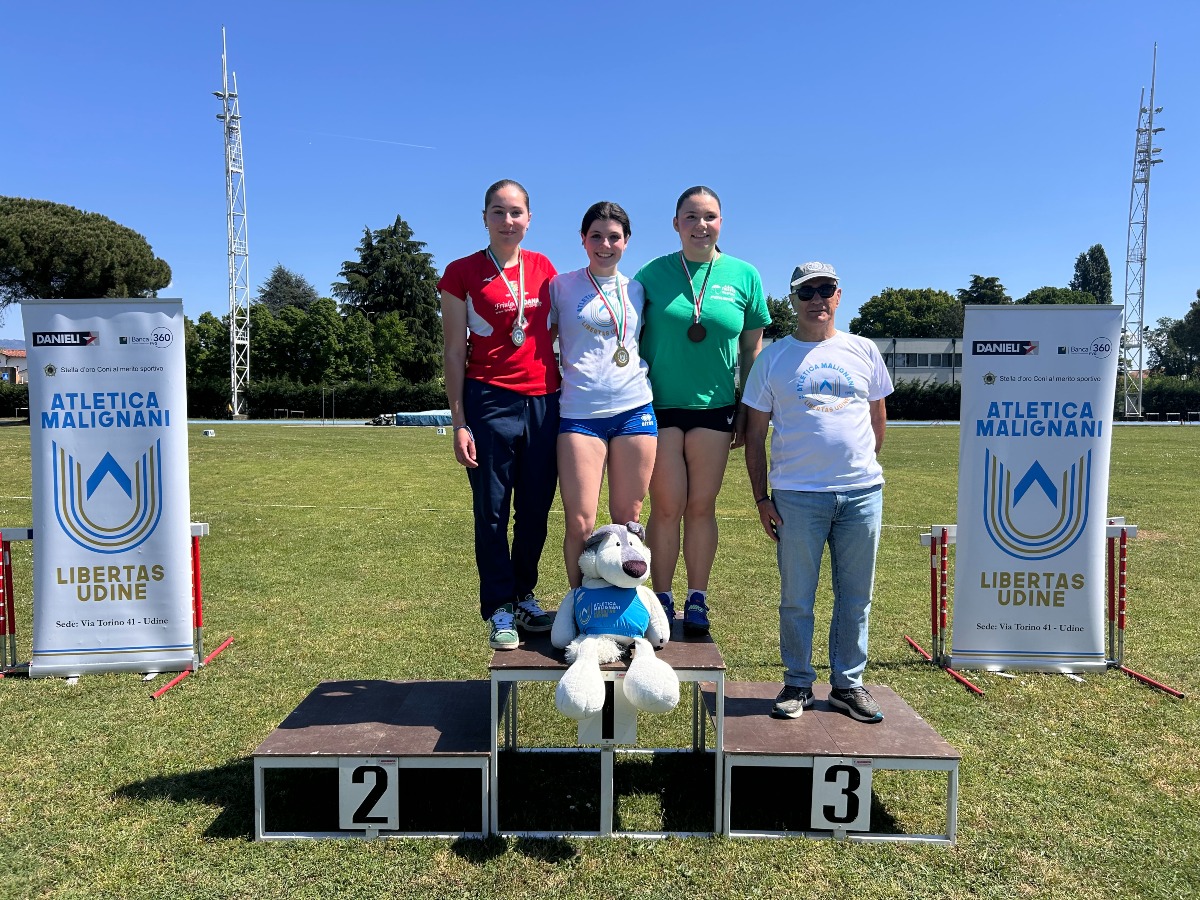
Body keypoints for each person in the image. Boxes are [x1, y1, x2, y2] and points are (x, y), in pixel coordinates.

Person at [742, 261, 893, 723]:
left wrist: (859, 467)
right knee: (797, 597)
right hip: (796, 497)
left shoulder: (864, 350)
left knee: (855, 596)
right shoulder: (773, 359)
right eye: (806, 292)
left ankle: (848, 685)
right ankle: (798, 682)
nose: (816, 300)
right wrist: (762, 498)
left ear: (838, 295)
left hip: (861, 494)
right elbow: (753, 435)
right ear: (792, 300)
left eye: (825, 290)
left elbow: (877, 419)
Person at [634, 186, 770, 635]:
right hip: (658, 407)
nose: (700, 225)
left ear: (721, 222)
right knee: (666, 506)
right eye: (690, 217)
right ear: (676, 224)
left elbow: (752, 350)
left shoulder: (744, 275)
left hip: (716, 408)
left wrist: (749, 409)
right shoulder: (651, 274)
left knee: (701, 507)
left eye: (709, 216)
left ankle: (697, 599)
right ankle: (662, 598)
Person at [438, 179, 559, 650]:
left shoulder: (546, 269)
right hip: (488, 401)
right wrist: (459, 420)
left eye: (516, 213)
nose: (508, 221)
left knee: (535, 509)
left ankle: (524, 594)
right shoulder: (460, 272)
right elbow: (453, 351)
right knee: (491, 510)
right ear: (484, 218)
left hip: (545, 402)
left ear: (529, 218)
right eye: (498, 212)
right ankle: (499, 607)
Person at [546, 201, 656, 589]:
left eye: (614, 237)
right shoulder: (560, 285)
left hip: (634, 409)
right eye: (596, 236)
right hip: (579, 413)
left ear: (626, 241)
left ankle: (622, 604)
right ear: (583, 239)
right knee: (581, 521)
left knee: (629, 519)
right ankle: (580, 601)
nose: (605, 244)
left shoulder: (639, 289)